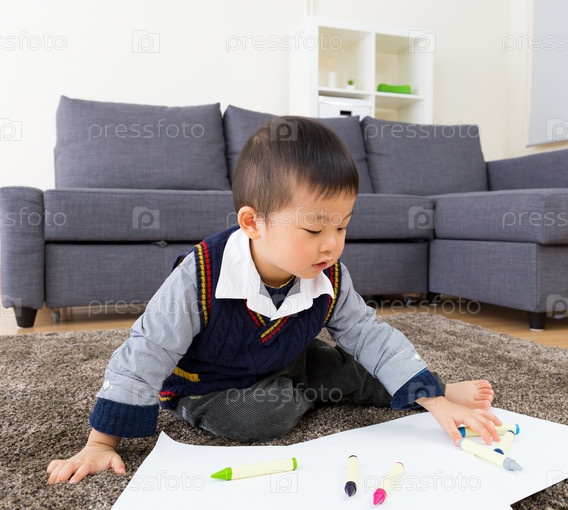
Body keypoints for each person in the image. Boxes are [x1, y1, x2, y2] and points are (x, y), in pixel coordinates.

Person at [47, 116, 500, 484]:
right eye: (314, 229)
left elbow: (369, 335)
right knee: (262, 416)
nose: (331, 244)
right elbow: (147, 349)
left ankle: (429, 390)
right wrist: (101, 442)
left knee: (357, 365)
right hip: (210, 385)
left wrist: (434, 399)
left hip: (287, 359)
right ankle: (309, 390)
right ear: (253, 223)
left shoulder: (330, 275)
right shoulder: (199, 275)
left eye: (342, 226)